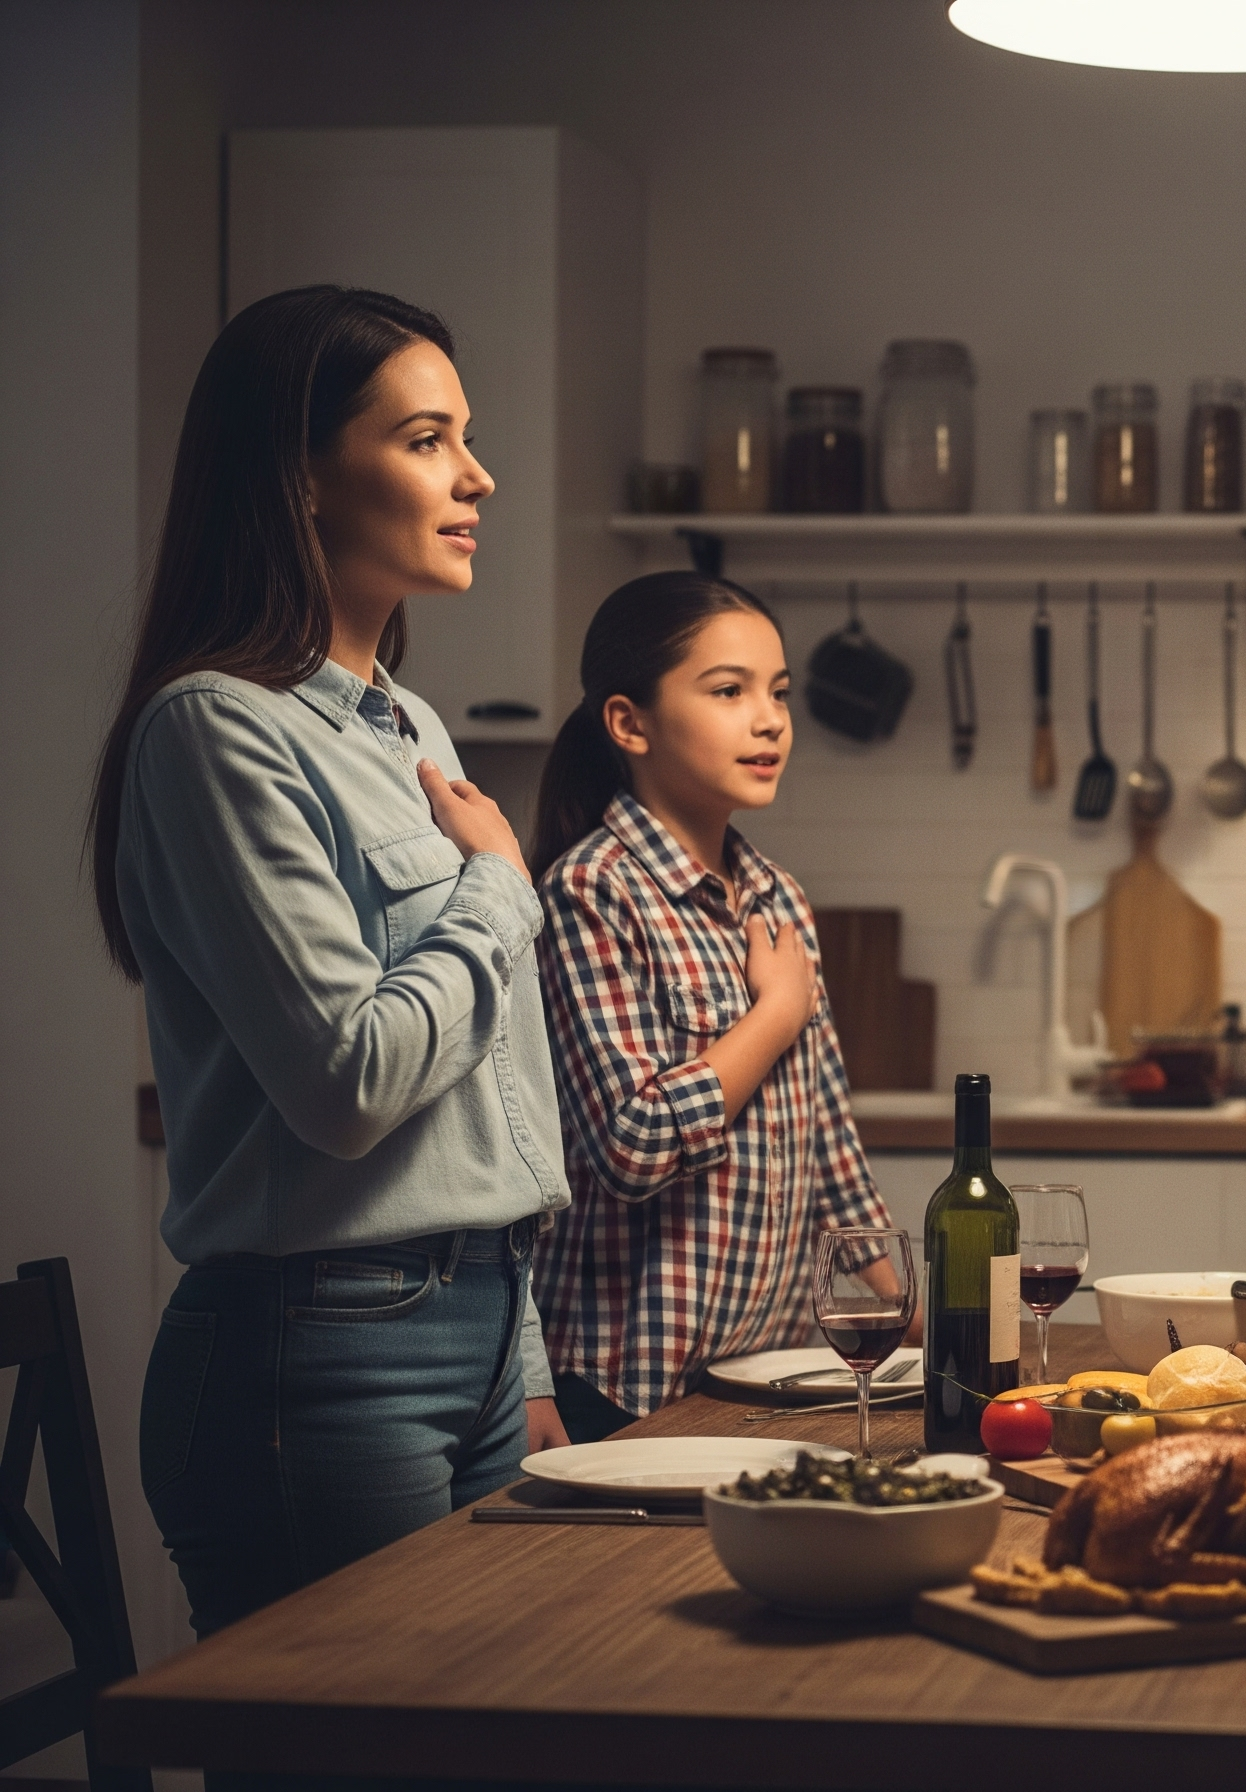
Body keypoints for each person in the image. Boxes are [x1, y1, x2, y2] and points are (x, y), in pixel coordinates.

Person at [100, 286, 570, 1641]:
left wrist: (522, 1351)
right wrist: (499, 888)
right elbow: (348, 1083)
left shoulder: (409, 723)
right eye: (427, 439)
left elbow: (492, 1088)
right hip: (322, 1350)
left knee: (477, 1724)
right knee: (370, 1735)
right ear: (299, 474)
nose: (477, 476)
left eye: (465, 437)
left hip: (477, 1322)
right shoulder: (214, 729)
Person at [528, 571, 900, 1441]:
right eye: (729, 691)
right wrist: (773, 1017)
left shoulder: (779, 896)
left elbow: (828, 1143)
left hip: (773, 1374)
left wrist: (910, 1310)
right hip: (627, 1389)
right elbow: (633, 1144)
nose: (770, 721)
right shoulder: (590, 892)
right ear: (630, 724)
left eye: (779, 692)